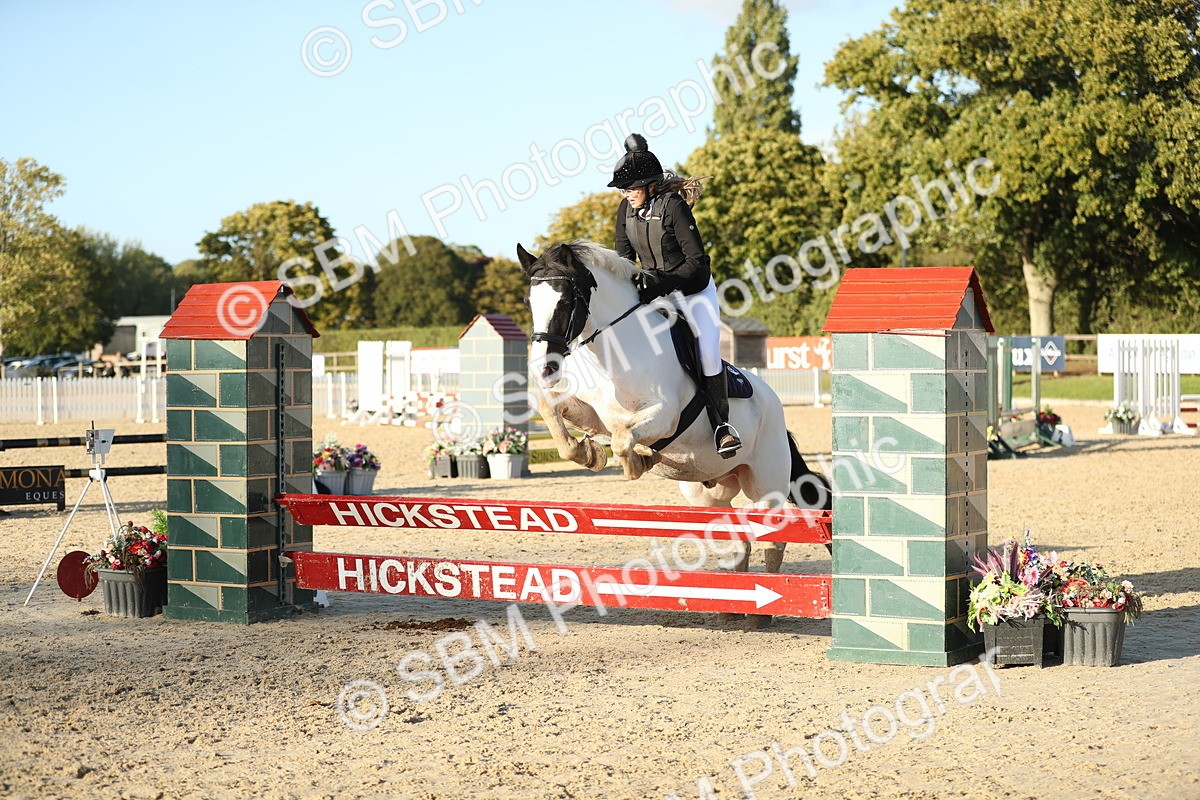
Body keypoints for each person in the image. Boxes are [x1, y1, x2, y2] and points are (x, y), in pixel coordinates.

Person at [609, 133, 742, 458]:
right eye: (624, 190)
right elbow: (623, 261)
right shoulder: (625, 211)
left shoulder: (674, 207)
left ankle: (722, 427)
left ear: (651, 185)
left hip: (693, 292)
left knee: (707, 353)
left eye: (632, 188)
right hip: (657, 294)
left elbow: (697, 263)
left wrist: (659, 284)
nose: (627, 194)